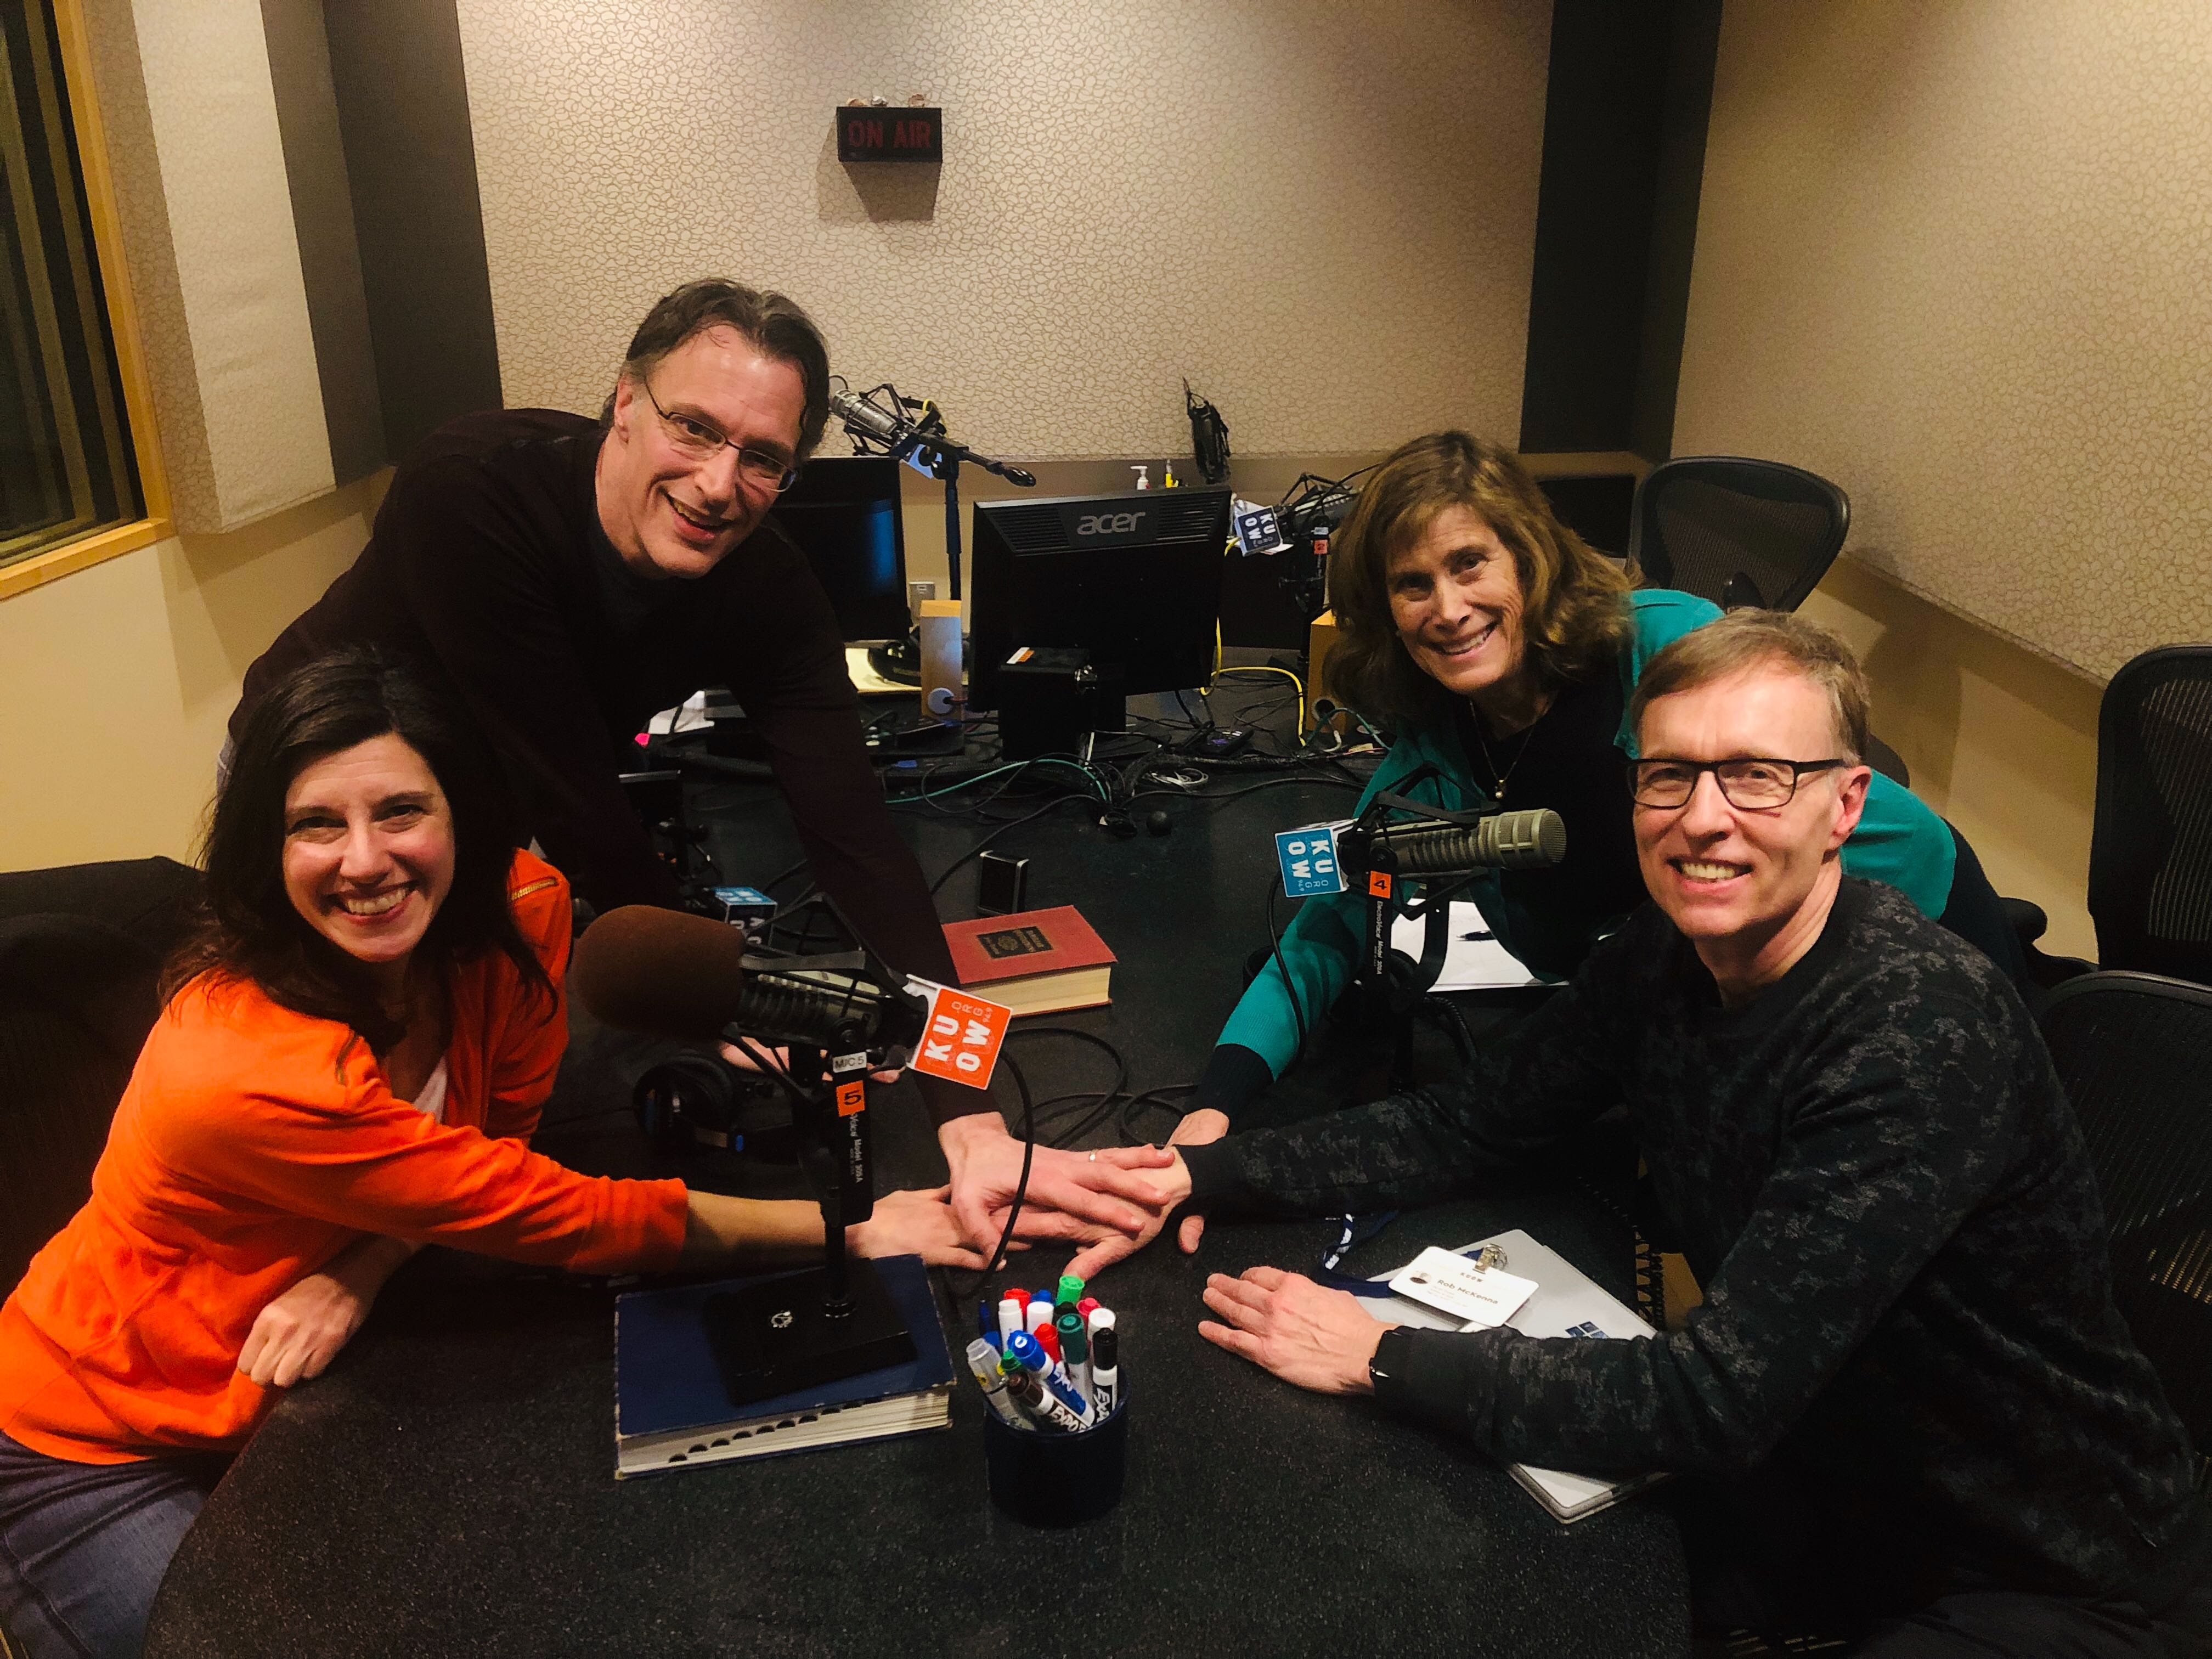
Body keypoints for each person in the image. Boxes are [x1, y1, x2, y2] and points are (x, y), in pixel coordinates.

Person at [1078, 612, 2211, 1652]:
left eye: (1758, 776)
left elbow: (1714, 1399)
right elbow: (1468, 1125)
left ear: (1846, 806)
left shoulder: (1912, 1028)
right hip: (1827, 1486)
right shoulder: (1657, 960)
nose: (1703, 817)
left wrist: (1376, 1352)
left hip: (2050, 1565)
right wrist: (1196, 1173)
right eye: (1670, 775)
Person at [0, 651, 981, 1659]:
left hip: (283, 1392)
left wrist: (368, 1259)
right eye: (316, 825)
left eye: (401, 812)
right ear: (265, 846)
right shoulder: (243, 1073)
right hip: (86, 1441)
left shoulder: (521, 912)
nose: (366, 860)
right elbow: (550, 1214)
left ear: (463, 814)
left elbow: (484, 1146)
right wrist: (854, 1231)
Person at [230, 278, 1164, 1254]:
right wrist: (720, 987)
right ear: (625, 404)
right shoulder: (474, 490)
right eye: (694, 428)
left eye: (763, 458)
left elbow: (860, 845)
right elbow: (573, 793)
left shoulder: (772, 591)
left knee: (445, 1102)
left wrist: (971, 1116)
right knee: (314, 1098)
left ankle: (374, 1256)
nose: (720, 485)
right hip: (310, 793)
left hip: (481, 812)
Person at [1177, 433, 2025, 1176]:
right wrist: (1218, 1103)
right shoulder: (1430, 758)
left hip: (1899, 924)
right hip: (1719, 995)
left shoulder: (1664, 646)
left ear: (1528, 558)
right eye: (1412, 584)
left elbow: (1800, 779)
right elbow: (1327, 926)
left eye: (1470, 563)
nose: (1449, 609)